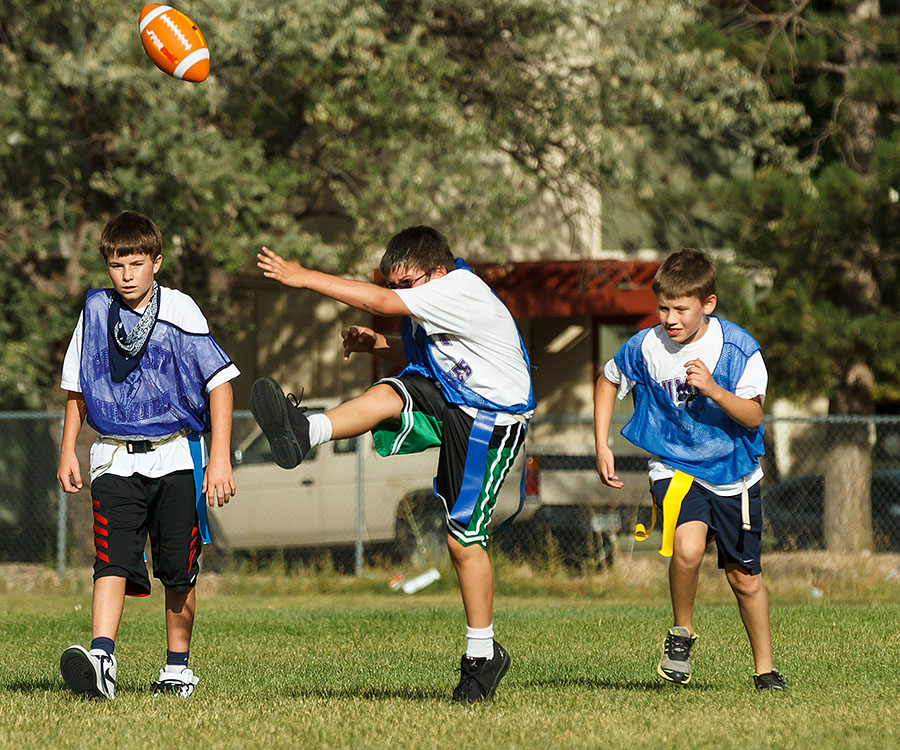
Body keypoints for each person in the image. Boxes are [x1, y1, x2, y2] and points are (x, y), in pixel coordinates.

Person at [250, 225, 534, 702]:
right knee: (390, 391)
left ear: (438, 273)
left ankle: (483, 656)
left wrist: (302, 276)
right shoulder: (437, 295)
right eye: (394, 286)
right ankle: (306, 433)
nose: (398, 295)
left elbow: (381, 305)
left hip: (491, 419)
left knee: (462, 540)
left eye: (407, 285)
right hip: (455, 400)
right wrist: (377, 345)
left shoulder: (460, 288)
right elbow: (442, 351)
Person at [56, 210, 240, 699]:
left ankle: (176, 668)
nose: (127, 275)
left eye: (136, 264)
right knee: (110, 558)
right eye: (117, 266)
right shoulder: (95, 313)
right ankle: (102, 660)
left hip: (174, 456)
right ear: (108, 267)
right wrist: (67, 449)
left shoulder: (181, 309)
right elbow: (76, 387)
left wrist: (218, 457)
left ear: (156, 262)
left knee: (178, 568)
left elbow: (220, 383)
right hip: (113, 458)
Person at [593, 248, 786, 691]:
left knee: (745, 579)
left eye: (681, 309)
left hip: (734, 472)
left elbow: (754, 417)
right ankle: (681, 634)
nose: (670, 318)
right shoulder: (645, 345)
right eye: (663, 307)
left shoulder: (739, 350)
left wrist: (714, 390)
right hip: (674, 465)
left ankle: (765, 670)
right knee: (688, 548)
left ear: (708, 304)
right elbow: (608, 379)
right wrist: (601, 442)